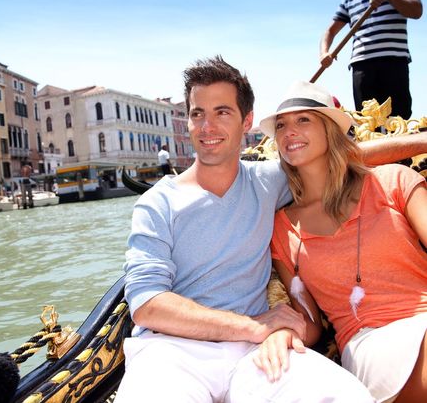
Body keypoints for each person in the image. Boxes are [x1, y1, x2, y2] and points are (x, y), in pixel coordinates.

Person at [117, 56, 380, 403]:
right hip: (173, 351)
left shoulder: (270, 180)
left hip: (256, 354)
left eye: (222, 112)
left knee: (343, 397)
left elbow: (341, 159)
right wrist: (255, 325)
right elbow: (148, 304)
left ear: (247, 121)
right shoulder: (157, 203)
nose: (207, 127)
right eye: (198, 114)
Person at [257, 80, 427, 402]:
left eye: (303, 120)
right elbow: (310, 322)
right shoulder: (281, 227)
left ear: (331, 130)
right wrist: (280, 329)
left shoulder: (394, 181)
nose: (289, 131)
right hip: (370, 343)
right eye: (281, 125)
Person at [320, 0, 423, 119]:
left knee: (399, 116)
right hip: (361, 65)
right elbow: (330, 31)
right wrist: (324, 52)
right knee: (366, 119)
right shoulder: (349, 0)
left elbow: (416, 11)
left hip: (393, 62)